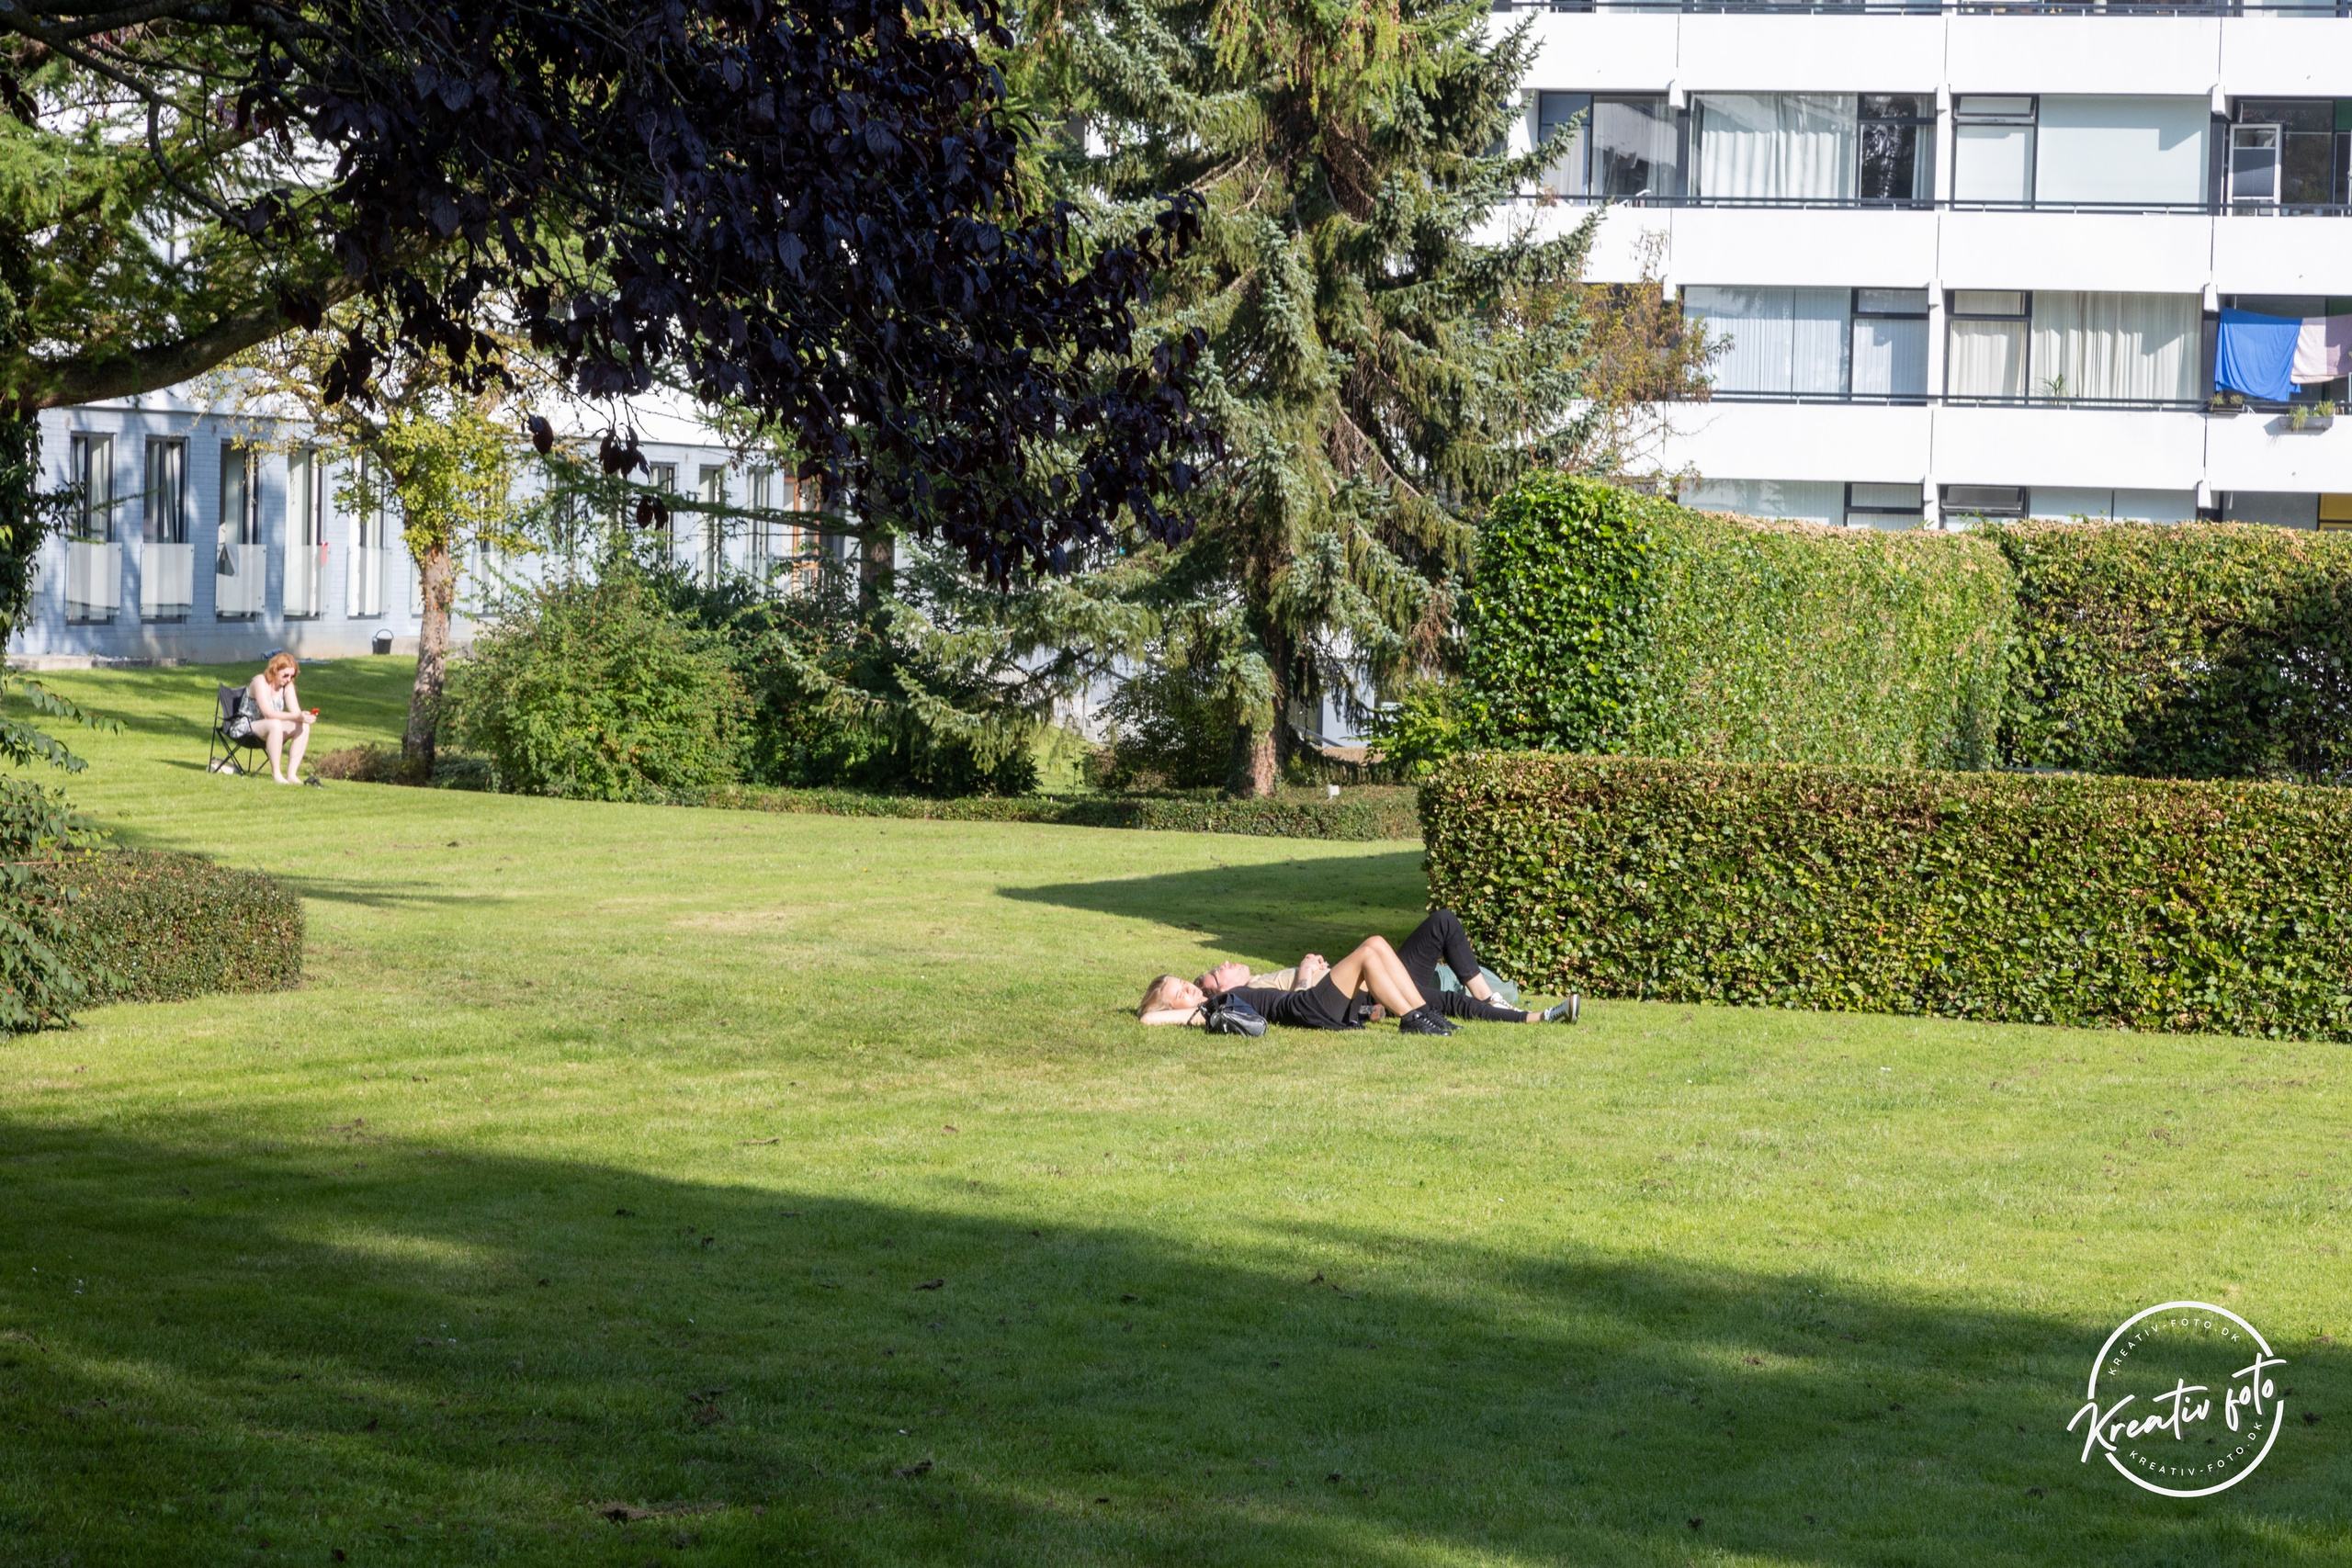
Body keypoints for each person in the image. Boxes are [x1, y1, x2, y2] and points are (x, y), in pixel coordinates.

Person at [1196, 908, 1577, 1025]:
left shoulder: (1259, 977)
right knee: (1446, 1000)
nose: (1225, 963)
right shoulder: (1248, 993)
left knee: (1443, 923)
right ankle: (1538, 1017)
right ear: (1222, 990)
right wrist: (1306, 970)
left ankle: (1494, 999)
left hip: (1374, 975)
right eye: (1218, 971)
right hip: (1371, 989)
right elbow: (1299, 1005)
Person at [1140, 932, 1461, 1034]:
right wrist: (1183, 1009)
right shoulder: (1208, 1010)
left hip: (1307, 1004)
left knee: (1375, 943)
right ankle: (1412, 1018)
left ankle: (1422, 1012)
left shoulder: (1216, 1001)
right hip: (1305, 1008)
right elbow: (1148, 1019)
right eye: (1179, 992)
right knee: (1366, 954)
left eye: (1183, 982)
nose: (1188, 987)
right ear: (1174, 1007)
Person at [234, 651, 320, 785]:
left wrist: (305, 717)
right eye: (285, 675)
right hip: (247, 726)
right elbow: (268, 713)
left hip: (271, 728)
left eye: (292, 676)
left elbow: (296, 712)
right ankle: (277, 774)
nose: (288, 679)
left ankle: (291, 775)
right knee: (275, 724)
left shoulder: (287, 686)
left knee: (303, 726)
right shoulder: (259, 681)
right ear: (275, 670)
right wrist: (297, 716)